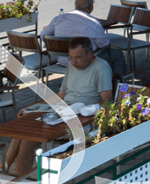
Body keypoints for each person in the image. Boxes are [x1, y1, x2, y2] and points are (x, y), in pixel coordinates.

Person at [6, 36, 113, 174]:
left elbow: (106, 100)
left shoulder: (101, 67)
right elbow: (60, 95)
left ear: (90, 53)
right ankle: (8, 173)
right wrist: (33, 107)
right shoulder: (71, 66)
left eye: (78, 58)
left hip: (80, 115)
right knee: (20, 131)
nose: (73, 62)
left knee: (27, 140)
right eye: (71, 58)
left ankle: (16, 178)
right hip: (61, 111)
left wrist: (86, 111)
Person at [40, 0, 126, 77]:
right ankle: (116, 85)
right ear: (90, 7)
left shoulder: (59, 18)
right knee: (117, 54)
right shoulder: (93, 23)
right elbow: (103, 44)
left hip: (64, 61)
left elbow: (43, 34)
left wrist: (55, 46)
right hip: (86, 61)